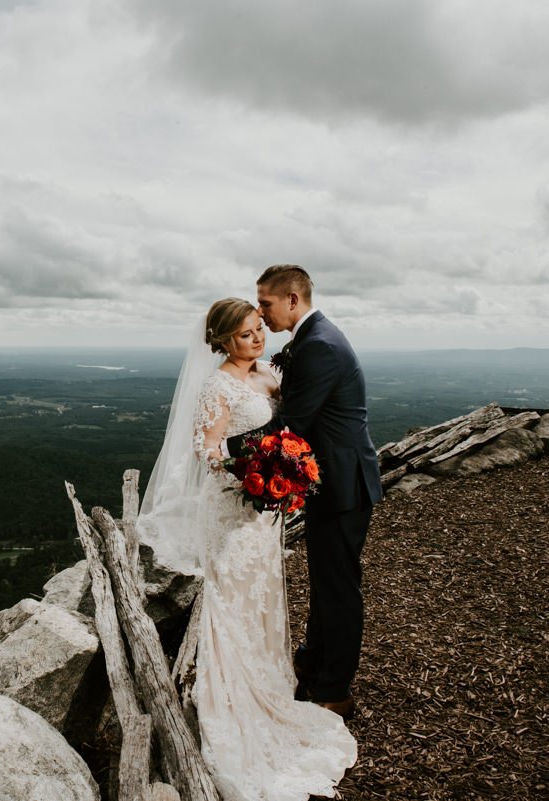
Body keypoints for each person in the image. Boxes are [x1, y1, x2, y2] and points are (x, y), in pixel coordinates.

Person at [139, 297, 357, 801]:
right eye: (244, 335)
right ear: (221, 341)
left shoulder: (269, 374)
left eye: (259, 329)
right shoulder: (217, 384)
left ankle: (271, 683)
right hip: (233, 509)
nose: (256, 339)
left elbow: (290, 428)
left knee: (262, 593)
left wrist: (283, 469)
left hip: (263, 515)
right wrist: (248, 473)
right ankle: (233, 700)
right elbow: (207, 447)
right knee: (232, 597)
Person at [248, 264, 383, 719]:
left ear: (292, 299)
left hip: (343, 486)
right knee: (327, 583)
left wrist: (224, 449)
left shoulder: (319, 346)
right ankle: (315, 662)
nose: (261, 313)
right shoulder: (312, 338)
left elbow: (292, 424)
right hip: (334, 482)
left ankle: (335, 690)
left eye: (265, 303)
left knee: (339, 589)